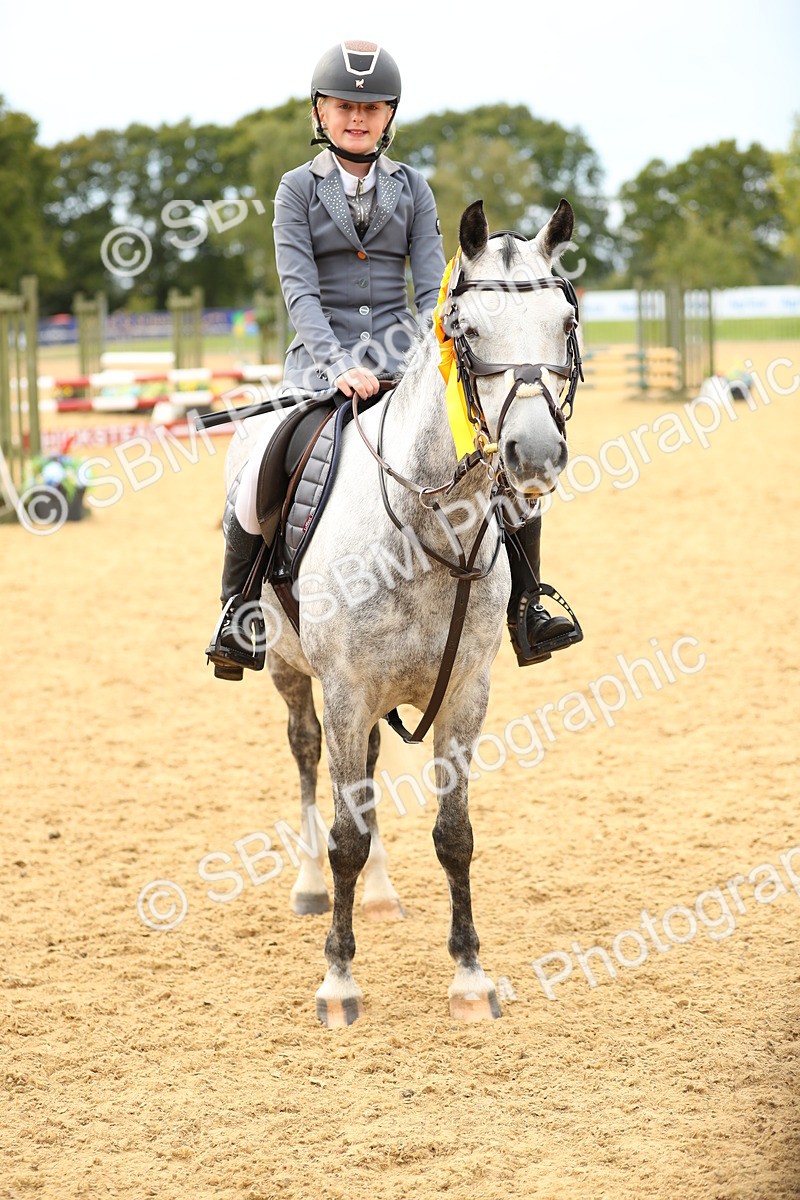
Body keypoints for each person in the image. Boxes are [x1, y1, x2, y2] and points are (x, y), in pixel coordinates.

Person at [205, 39, 576, 680]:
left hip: (407, 364)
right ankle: (239, 614)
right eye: (344, 106)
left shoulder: (414, 189)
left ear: (389, 115)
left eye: (372, 107)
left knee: (498, 470)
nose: (358, 117)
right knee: (259, 470)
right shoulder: (295, 191)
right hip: (318, 368)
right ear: (319, 113)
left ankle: (526, 603)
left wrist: (419, 360)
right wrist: (334, 364)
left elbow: (435, 286)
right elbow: (299, 287)